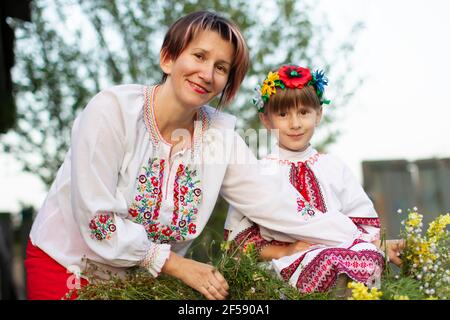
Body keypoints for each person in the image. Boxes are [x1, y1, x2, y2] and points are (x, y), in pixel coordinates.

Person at [24, 11, 366, 300]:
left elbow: (279, 203)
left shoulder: (221, 137)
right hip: (67, 267)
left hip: (143, 287)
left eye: (221, 67)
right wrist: (175, 264)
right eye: (199, 56)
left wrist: (361, 242)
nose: (207, 74)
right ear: (168, 58)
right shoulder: (111, 112)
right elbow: (96, 218)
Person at [224, 64, 405, 295]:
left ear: (318, 114)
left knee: (366, 259)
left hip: (343, 256)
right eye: (282, 114)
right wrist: (285, 250)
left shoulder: (334, 167)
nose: (295, 123)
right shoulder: (258, 173)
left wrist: (372, 245)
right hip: (283, 265)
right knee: (327, 259)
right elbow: (238, 242)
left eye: (304, 112)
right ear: (266, 120)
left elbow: (363, 222)